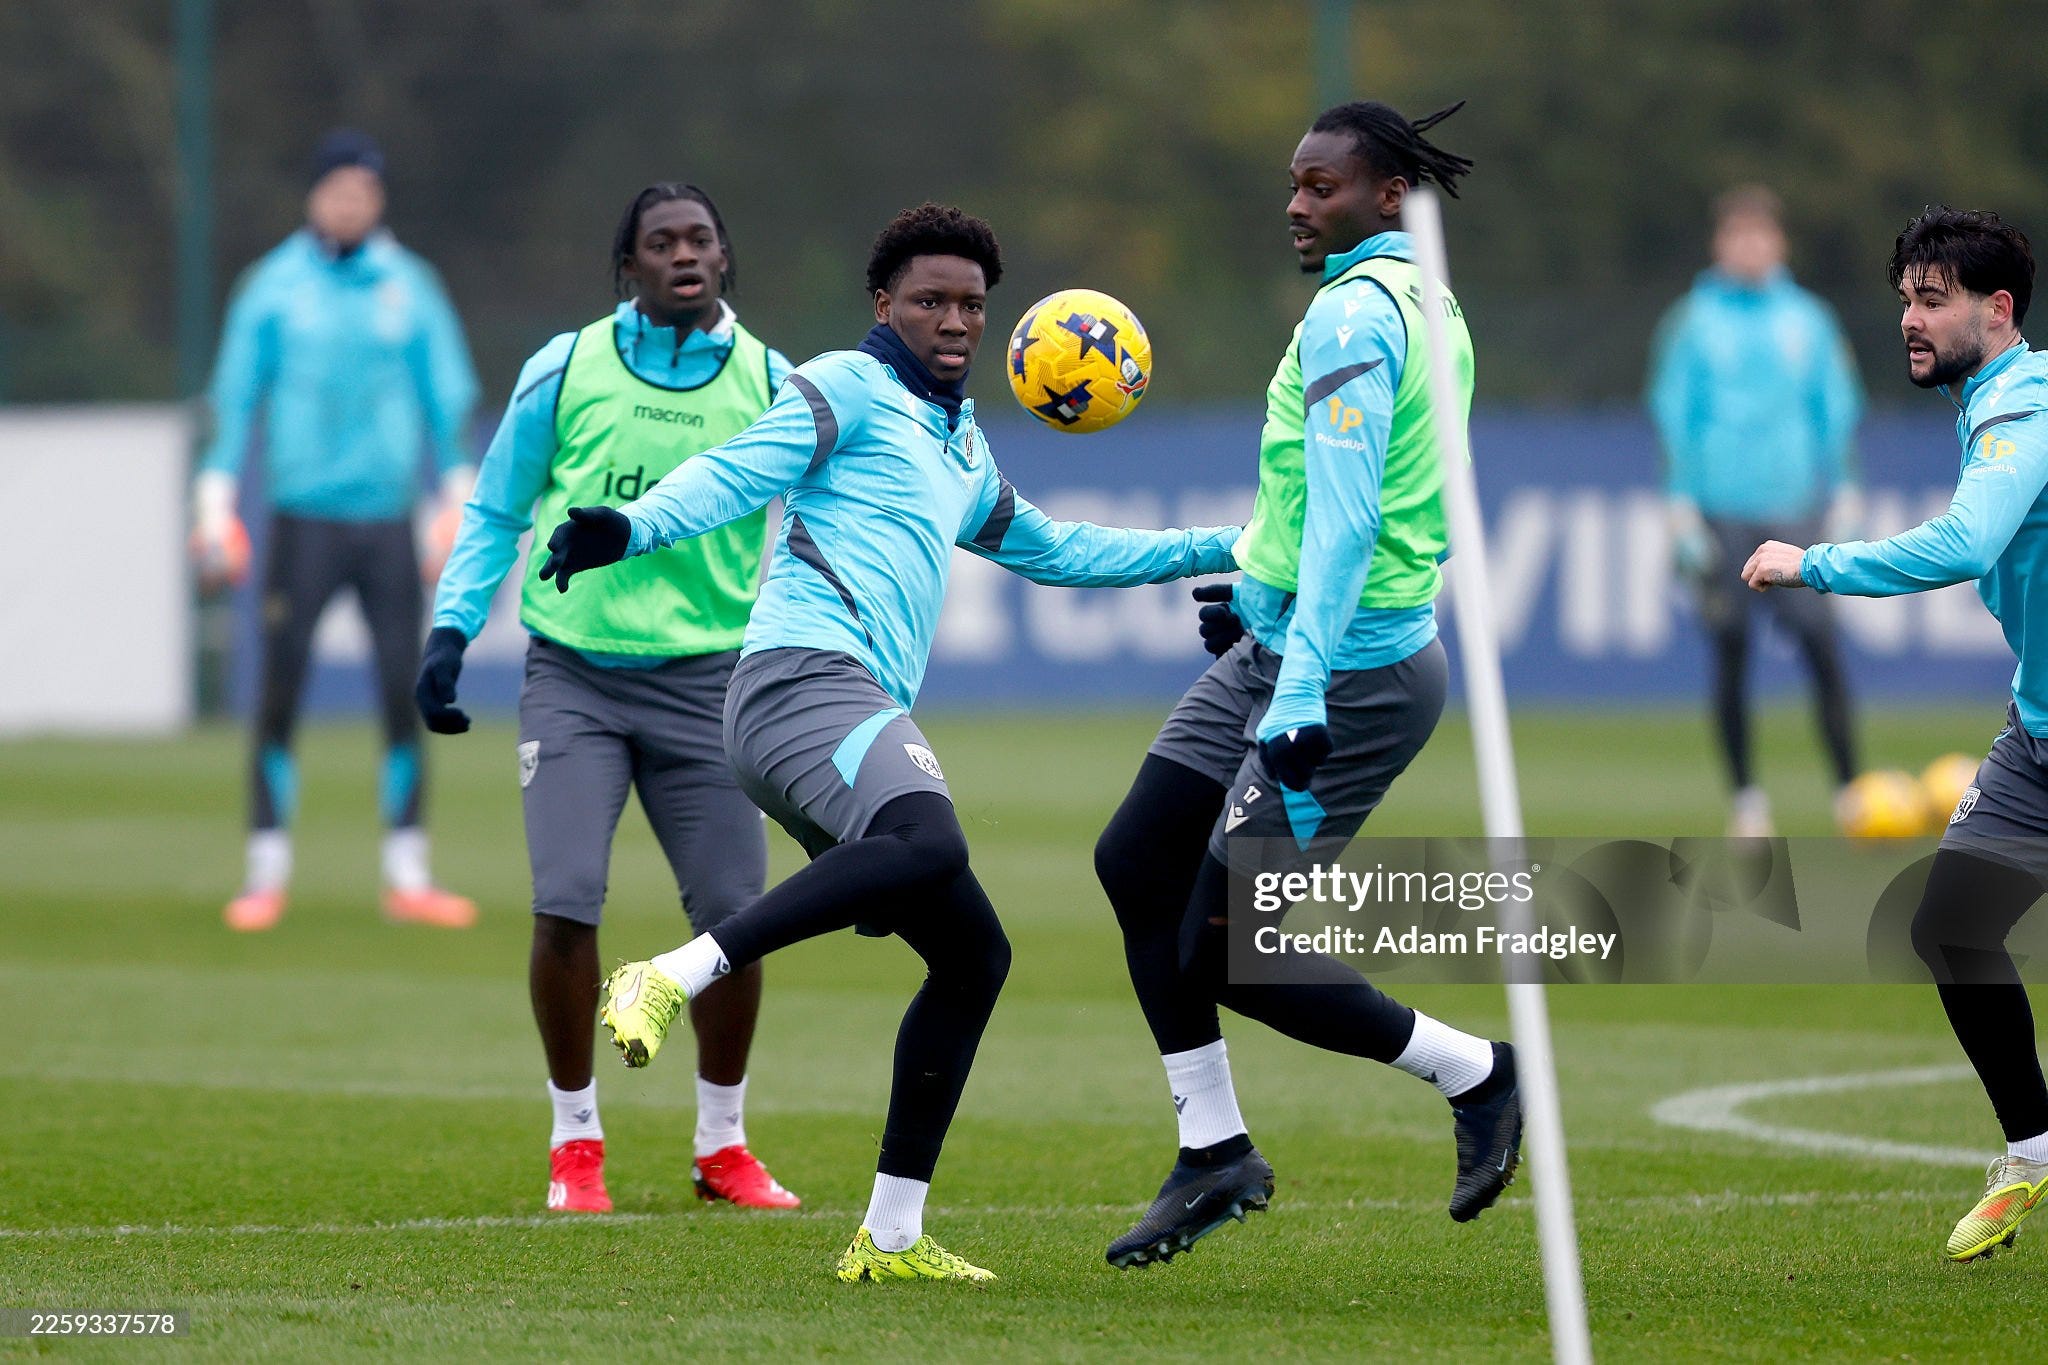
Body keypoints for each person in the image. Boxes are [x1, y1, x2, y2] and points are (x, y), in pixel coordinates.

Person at [538, 203, 1239, 1282]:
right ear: (883, 306)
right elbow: (737, 469)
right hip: (797, 681)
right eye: (929, 301)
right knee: (929, 838)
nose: (952, 320)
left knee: (973, 959)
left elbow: (1059, 551)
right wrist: (630, 529)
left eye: (968, 304)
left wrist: (1234, 543)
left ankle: (892, 1236)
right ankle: (674, 972)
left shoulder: (957, 442)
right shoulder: (844, 387)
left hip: (838, 704)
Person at [1090, 99, 1522, 1269]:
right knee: (1134, 862)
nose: (1295, 201)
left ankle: (1477, 1072)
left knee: (1233, 951)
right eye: (1293, 182)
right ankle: (1213, 1151)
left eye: (1321, 185)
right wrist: (1258, 606)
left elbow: (1349, 516)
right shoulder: (1419, 303)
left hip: (1353, 675)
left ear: (1388, 197)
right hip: (1286, 646)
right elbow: (1318, 510)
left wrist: (1301, 682)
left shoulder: (1351, 317)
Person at [417, 183, 801, 1215]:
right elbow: (497, 509)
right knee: (564, 901)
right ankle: (573, 1139)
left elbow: (817, 519)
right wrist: (451, 631)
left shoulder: (772, 381)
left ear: (726, 259)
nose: (685, 255)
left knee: (734, 918)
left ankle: (721, 1146)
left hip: (710, 685)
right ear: (626, 267)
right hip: (574, 677)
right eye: (661, 242)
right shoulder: (567, 365)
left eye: (702, 239)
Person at [1742, 207, 2048, 1263]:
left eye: (1931, 301)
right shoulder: (1991, 404)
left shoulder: (2025, 406)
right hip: (2036, 728)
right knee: (1951, 927)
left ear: (1995, 310)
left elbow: (1965, 542)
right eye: (1904, 302)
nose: (1908, 322)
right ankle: (2034, 1155)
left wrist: (1810, 562)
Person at [193, 129, 480, 932]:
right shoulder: (273, 287)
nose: (351, 202)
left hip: (386, 521)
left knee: (406, 688)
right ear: (315, 195)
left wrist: (453, 500)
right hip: (300, 521)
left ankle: (408, 872)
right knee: (279, 691)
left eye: (365, 190)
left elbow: (445, 404)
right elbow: (233, 401)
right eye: (339, 188)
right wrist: (213, 509)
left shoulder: (411, 286)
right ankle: (265, 871)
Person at [1648, 185, 1866, 837]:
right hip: (1719, 510)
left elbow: (1836, 406)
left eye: (1759, 235)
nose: (1749, 247)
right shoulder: (1691, 322)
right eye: (1737, 236)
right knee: (1733, 648)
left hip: (1794, 506)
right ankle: (1747, 800)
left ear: (1779, 243)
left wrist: (1848, 486)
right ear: (1721, 244)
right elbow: (1673, 413)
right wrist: (1680, 507)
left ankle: (1851, 790)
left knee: (1820, 643)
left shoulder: (1810, 321)